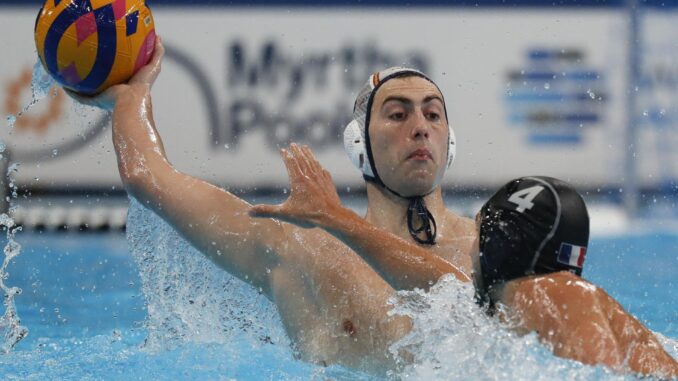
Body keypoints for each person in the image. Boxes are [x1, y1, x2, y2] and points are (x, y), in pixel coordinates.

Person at [68, 36, 475, 374]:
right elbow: (148, 177)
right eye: (398, 114)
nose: (421, 128)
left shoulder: (489, 245)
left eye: (434, 115)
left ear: (449, 142)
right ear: (360, 146)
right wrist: (131, 97)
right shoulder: (305, 249)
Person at [251, 146, 678, 378]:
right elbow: (428, 277)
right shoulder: (510, 308)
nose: (469, 246)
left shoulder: (555, 293)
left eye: (480, 233)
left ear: (498, 242)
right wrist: (333, 217)